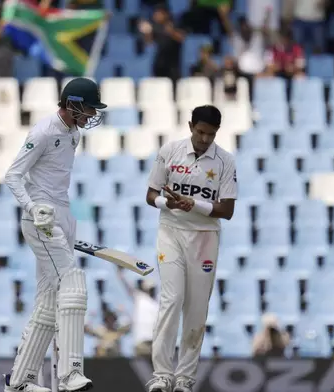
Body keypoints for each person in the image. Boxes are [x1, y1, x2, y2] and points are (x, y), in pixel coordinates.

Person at [2, 77, 107, 392]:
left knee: (48, 299)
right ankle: (70, 373)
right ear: (72, 103)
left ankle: (21, 380)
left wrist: (63, 221)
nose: (90, 115)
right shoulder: (45, 130)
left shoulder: (73, 133)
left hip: (61, 214)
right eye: (88, 109)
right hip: (41, 217)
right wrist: (34, 209)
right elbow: (13, 176)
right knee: (73, 284)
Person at [145, 105, 237, 392]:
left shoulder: (225, 161)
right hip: (171, 231)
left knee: (196, 309)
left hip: (205, 237)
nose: (204, 139)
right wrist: (168, 203)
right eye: (200, 132)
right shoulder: (170, 151)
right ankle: (162, 375)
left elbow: (227, 210)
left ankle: (184, 379)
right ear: (190, 126)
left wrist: (193, 204)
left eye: (210, 134)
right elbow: (151, 195)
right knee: (172, 300)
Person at [116, 267, 159, 357]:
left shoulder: (156, 304)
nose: (152, 290)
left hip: (155, 341)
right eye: (150, 288)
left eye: (153, 288)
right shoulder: (140, 298)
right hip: (142, 340)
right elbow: (127, 286)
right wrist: (120, 272)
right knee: (142, 366)